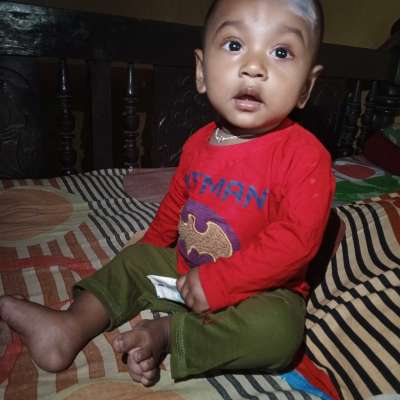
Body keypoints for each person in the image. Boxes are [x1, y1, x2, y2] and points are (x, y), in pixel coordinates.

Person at [0, 0, 335, 388]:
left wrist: (219, 283)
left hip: (262, 293)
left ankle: (168, 335)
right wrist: (149, 252)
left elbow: (295, 242)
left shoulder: (307, 156)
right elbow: (176, 206)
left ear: (306, 87)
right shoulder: (197, 144)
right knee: (135, 258)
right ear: (201, 71)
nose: (254, 66)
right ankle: (70, 326)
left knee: (280, 332)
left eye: (281, 52)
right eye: (234, 45)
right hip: (186, 270)